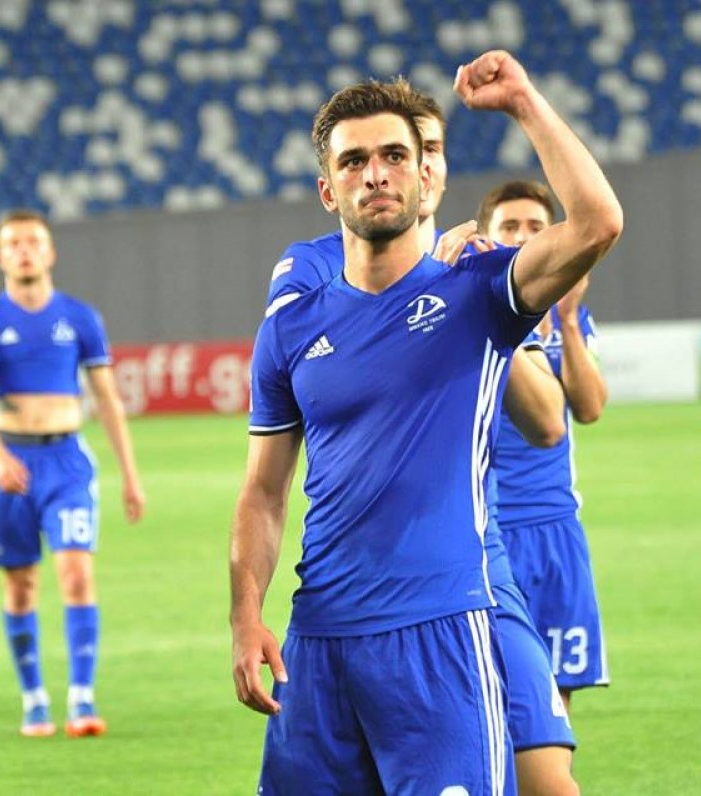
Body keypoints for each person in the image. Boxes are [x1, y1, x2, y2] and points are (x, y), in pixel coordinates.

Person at [231, 49, 622, 796]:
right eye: (353, 162)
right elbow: (263, 493)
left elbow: (599, 223)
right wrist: (245, 617)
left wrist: (524, 104)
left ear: (424, 175)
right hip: (318, 640)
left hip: (441, 630)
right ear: (327, 189)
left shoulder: (480, 293)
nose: (375, 174)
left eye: (393, 156)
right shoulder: (289, 329)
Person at [0, 210, 145, 738]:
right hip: (12, 462)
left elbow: (107, 399)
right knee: (21, 584)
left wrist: (130, 474)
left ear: (50, 252)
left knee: (76, 574)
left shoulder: (80, 317)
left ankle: (82, 699)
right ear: (1, 256)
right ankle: (34, 699)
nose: (24, 251)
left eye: (33, 242)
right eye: (14, 243)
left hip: (66, 461)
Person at [479, 179, 611, 716]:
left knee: (555, 702)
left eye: (536, 226)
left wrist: (571, 320)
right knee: (485, 695)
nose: (522, 236)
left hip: (554, 527)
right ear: (486, 235)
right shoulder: (462, 314)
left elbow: (590, 408)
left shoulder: (565, 317)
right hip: (485, 529)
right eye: (509, 226)